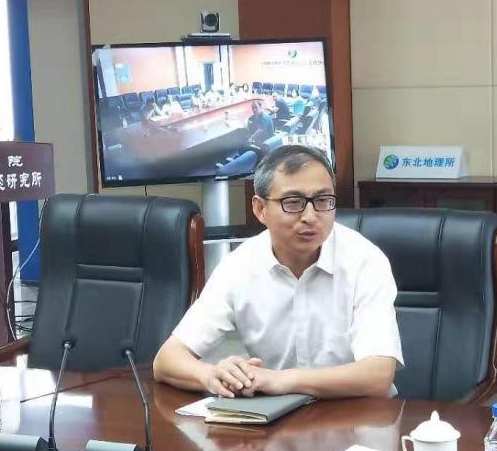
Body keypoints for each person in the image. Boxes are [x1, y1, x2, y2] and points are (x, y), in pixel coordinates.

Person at [153, 144, 402, 399]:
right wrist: (211, 375)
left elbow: (378, 374)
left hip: (358, 414)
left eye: (322, 201)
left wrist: (281, 379)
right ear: (260, 209)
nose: (310, 216)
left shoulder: (364, 261)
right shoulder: (239, 265)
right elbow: (167, 359)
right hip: (277, 415)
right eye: (293, 202)